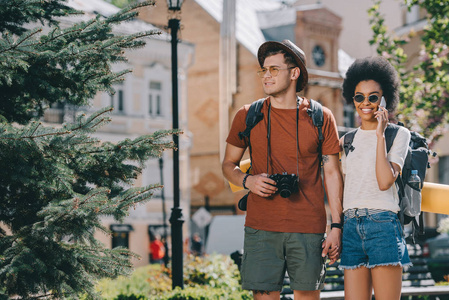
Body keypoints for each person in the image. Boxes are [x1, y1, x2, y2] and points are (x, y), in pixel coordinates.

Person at [222, 39, 343, 300]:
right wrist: (248, 181)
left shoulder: (321, 117)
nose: (266, 76)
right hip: (261, 226)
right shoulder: (248, 115)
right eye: (263, 70)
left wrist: (337, 226)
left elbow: (332, 174)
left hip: (309, 227)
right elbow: (227, 165)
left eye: (274, 70)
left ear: (294, 73)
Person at [339, 56, 412, 300]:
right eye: (359, 97)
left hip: (382, 225)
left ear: (385, 99)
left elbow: (384, 181)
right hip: (350, 226)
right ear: (353, 99)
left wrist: (380, 135)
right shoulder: (347, 140)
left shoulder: (398, 134)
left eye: (373, 97)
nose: (366, 103)